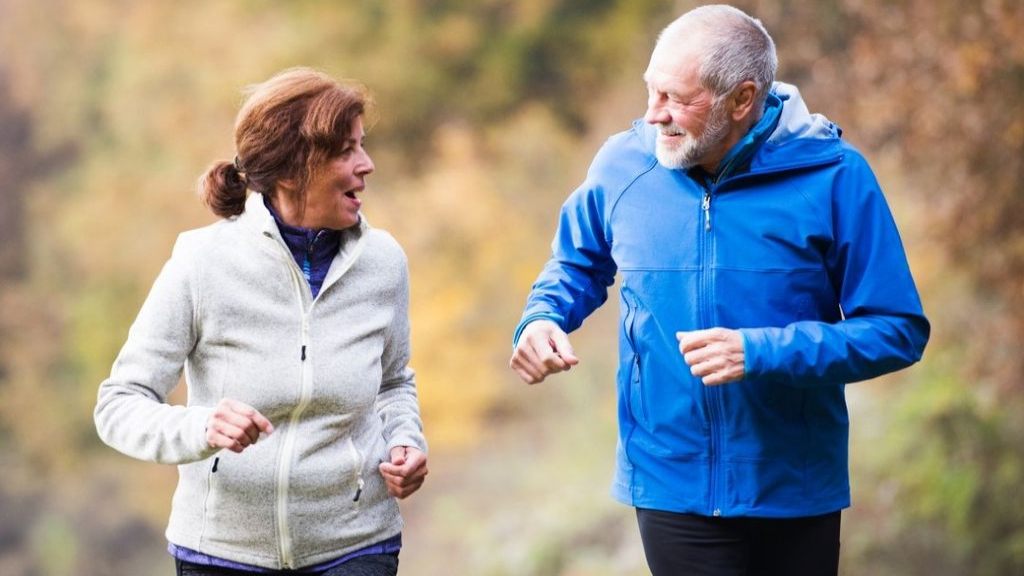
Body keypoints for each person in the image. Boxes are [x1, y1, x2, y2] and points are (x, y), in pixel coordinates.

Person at [508, 5, 929, 576]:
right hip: (668, 479)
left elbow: (897, 330)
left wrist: (761, 352)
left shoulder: (835, 177)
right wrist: (542, 317)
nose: (653, 116)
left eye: (675, 98)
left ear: (742, 99)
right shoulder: (622, 165)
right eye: (650, 92)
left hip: (794, 485)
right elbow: (574, 264)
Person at [94, 67, 428, 576]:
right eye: (345, 151)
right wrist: (202, 426)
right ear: (292, 168)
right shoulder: (201, 261)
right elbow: (119, 405)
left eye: (362, 145)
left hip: (358, 545)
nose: (367, 164)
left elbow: (392, 382)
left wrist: (405, 440)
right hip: (222, 553)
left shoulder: (384, 263)